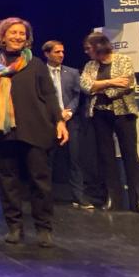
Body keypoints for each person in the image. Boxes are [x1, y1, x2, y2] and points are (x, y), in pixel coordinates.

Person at [0, 17, 68, 247]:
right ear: (2, 36)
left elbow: (50, 95)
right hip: (3, 134)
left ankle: (44, 228)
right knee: (8, 182)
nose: (18, 36)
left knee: (40, 181)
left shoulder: (36, 64)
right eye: (13, 32)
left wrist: (59, 121)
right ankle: (14, 227)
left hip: (35, 129)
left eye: (22, 33)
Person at [79, 32, 139, 213]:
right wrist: (111, 82)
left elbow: (127, 85)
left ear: (99, 46)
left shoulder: (123, 60)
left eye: (89, 48)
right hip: (100, 115)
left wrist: (100, 87)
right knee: (106, 157)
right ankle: (113, 199)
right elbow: (86, 86)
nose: (87, 52)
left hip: (123, 113)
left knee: (130, 156)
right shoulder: (90, 65)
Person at [42, 40, 87, 208]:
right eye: (57, 52)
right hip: (48, 122)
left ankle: (79, 196)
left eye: (62, 52)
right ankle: (46, 197)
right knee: (47, 161)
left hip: (70, 120)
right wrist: (54, 114)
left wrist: (69, 111)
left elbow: (77, 95)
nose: (61, 55)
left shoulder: (72, 72)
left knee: (74, 159)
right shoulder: (41, 73)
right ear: (47, 54)